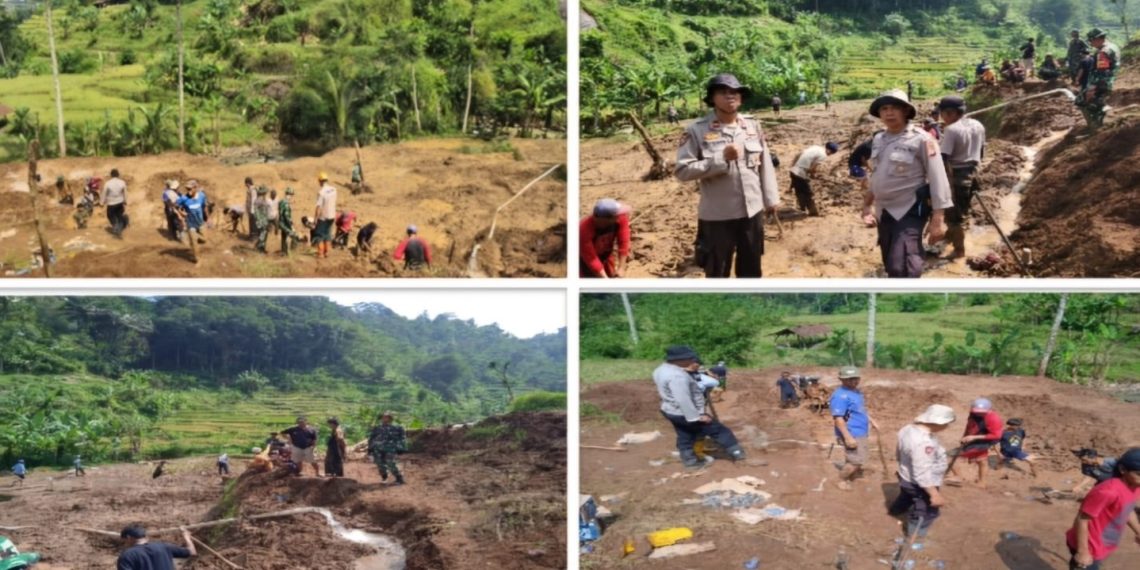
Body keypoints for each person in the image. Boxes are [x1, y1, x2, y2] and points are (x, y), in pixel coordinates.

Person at [675, 74, 780, 278]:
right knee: (717, 270)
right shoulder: (697, 130)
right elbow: (682, 170)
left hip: (752, 212)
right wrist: (720, 158)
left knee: (751, 268)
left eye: (735, 92)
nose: (730, 96)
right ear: (712, 98)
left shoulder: (752, 126)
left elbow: (765, 164)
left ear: (741, 97)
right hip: (718, 216)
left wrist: (771, 199)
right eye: (723, 92)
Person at [863, 89, 952, 278]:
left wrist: (938, 220)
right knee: (890, 262)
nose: (889, 113)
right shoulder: (879, 139)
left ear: (905, 111)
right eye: (884, 108)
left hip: (910, 209)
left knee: (903, 266)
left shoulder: (922, 139)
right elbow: (876, 174)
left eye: (894, 108)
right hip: (884, 211)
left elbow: (939, 178)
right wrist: (866, 206)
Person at [653, 345, 746, 468]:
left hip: (670, 410)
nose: (693, 361)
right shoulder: (677, 376)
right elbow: (683, 398)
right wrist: (697, 416)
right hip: (684, 412)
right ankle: (739, 455)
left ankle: (691, 462)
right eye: (690, 358)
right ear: (679, 359)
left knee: (685, 435)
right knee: (719, 431)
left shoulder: (661, 369)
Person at [1066, 448, 1140, 570]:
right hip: (1088, 544)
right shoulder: (1108, 491)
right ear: (1123, 470)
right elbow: (1082, 519)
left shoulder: (1135, 487)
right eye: (1139, 474)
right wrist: (1082, 551)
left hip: (1102, 543)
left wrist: (1138, 530)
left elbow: (1127, 508)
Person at [890, 404, 955, 538]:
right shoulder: (924, 443)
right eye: (947, 423)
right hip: (920, 483)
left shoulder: (907, 429)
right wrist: (934, 494)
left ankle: (896, 510)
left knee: (906, 496)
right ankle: (915, 532)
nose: (948, 426)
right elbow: (922, 473)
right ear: (938, 422)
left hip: (906, 476)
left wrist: (901, 466)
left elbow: (899, 451)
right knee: (926, 510)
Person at [938, 95, 986, 260]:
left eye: (942, 114)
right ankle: (951, 236)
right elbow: (981, 151)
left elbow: (943, 158)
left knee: (954, 215)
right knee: (962, 210)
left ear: (950, 113)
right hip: (973, 172)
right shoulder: (978, 124)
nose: (941, 118)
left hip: (956, 176)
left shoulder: (951, 130)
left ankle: (959, 251)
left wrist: (940, 181)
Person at [830, 366, 880, 490]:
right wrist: (848, 437)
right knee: (856, 461)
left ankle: (854, 474)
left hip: (860, 430)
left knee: (854, 456)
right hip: (852, 433)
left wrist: (871, 420)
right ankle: (841, 479)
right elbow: (838, 419)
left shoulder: (856, 392)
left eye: (856, 378)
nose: (854, 381)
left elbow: (859, 410)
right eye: (849, 379)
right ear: (841, 379)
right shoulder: (840, 396)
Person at [948, 398, 1003, 488]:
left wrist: (973, 437)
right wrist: (964, 436)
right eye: (976, 411)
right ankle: (982, 483)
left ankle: (958, 477)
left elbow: (996, 436)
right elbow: (970, 425)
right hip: (973, 438)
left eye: (982, 412)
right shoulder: (973, 413)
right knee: (982, 461)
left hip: (983, 441)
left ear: (989, 410)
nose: (979, 413)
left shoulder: (993, 418)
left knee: (950, 457)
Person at [1077, 29, 1120, 131]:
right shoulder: (1113, 47)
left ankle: (1097, 128)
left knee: (1087, 103)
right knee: (1094, 104)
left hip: (1101, 82)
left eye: (1091, 41)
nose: (1090, 44)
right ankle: (1098, 126)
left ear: (1097, 39)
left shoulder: (1103, 52)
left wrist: (1093, 87)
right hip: (1108, 80)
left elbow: (1102, 70)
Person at [580, 198, 631, 278]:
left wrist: (621, 268)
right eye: (615, 216)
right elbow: (590, 258)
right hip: (584, 262)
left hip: (606, 257)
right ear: (604, 219)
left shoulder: (621, 218)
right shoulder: (583, 229)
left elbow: (623, 242)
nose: (618, 218)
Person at [789, 142, 838, 217]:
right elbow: (812, 168)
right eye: (831, 153)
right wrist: (813, 175)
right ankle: (813, 212)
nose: (829, 155)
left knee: (799, 191)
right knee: (808, 193)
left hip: (794, 170)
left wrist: (793, 165)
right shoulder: (823, 155)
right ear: (829, 150)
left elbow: (799, 154)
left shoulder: (815, 147)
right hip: (800, 173)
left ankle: (802, 209)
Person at [117, 525, 196, 570]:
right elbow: (192, 552)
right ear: (146, 537)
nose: (125, 545)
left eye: (124, 542)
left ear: (128, 538)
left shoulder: (127, 556)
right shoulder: (164, 547)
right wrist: (187, 537)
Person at [368, 412, 407, 484]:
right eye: (383, 417)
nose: (384, 419)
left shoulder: (397, 427)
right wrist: (370, 449)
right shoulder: (377, 428)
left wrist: (401, 448)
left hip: (390, 448)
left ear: (390, 418)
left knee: (390, 462)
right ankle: (384, 477)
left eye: (386, 417)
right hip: (378, 448)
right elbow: (371, 438)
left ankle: (399, 478)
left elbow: (402, 438)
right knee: (379, 463)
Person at [176, 182, 208, 263]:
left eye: (190, 189)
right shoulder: (184, 198)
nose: (188, 190)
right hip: (191, 224)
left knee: (204, 239)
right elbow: (175, 206)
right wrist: (181, 213)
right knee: (194, 243)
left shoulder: (201, 196)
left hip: (200, 222)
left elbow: (204, 206)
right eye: (187, 189)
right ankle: (197, 259)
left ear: (195, 188)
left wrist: (207, 217)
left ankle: (193, 237)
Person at [313, 172, 337, 259]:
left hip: (324, 217)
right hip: (332, 216)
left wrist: (315, 219)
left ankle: (320, 253)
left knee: (319, 235)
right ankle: (327, 252)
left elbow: (318, 207)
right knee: (328, 234)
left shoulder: (321, 192)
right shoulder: (334, 189)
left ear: (320, 181)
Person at [101, 168, 128, 237]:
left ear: (111, 175)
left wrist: (102, 202)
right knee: (119, 216)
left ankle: (115, 226)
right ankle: (118, 228)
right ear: (118, 175)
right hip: (120, 202)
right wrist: (125, 200)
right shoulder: (122, 182)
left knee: (110, 215)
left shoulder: (108, 183)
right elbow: (125, 192)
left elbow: (104, 193)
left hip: (111, 203)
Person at [278, 187, 300, 256]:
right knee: (294, 236)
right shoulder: (286, 204)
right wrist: (291, 226)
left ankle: (283, 252)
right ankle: (293, 252)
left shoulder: (281, 201)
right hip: (285, 224)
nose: (292, 197)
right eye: (292, 195)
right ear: (290, 194)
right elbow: (287, 216)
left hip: (281, 223)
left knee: (284, 237)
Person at [252, 186, 272, 253]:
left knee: (264, 234)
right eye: (265, 192)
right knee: (262, 234)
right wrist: (259, 220)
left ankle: (262, 248)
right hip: (261, 220)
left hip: (264, 219)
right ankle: (259, 247)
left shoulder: (263, 199)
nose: (265, 193)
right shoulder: (258, 200)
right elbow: (256, 211)